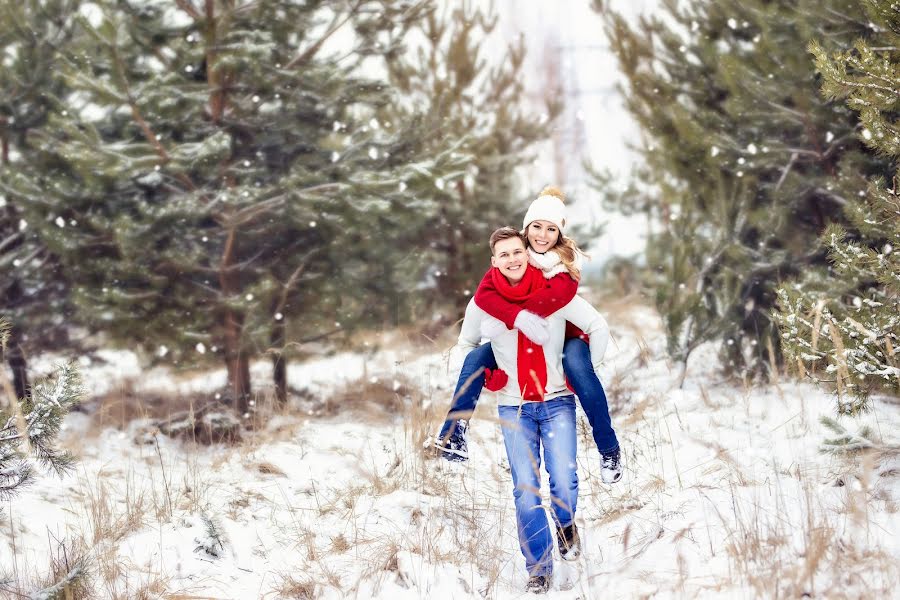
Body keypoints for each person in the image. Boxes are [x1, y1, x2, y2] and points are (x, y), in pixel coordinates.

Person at [451, 226, 610, 593]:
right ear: (494, 262)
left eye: (516, 251)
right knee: (525, 491)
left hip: (556, 403)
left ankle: (566, 524)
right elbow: (465, 347)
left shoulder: (553, 291)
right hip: (514, 408)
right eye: (503, 255)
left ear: (527, 253)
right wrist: (490, 378)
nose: (511, 259)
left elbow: (597, 327)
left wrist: (579, 372)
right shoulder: (483, 301)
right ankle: (538, 568)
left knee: (565, 484)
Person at [435, 186, 622, 484]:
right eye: (536, 226)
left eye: (551, 229)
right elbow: (485, 292)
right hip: (522, 339)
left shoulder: (564, 266)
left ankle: (608, 448)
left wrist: (591, 365)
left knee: (580, 371)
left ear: (559, 235)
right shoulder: (516, 257)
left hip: (567, 338)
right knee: (475, 359)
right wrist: (510, 319)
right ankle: (453, 435)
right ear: (525, 229)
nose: (542, 235)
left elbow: (558, 303)